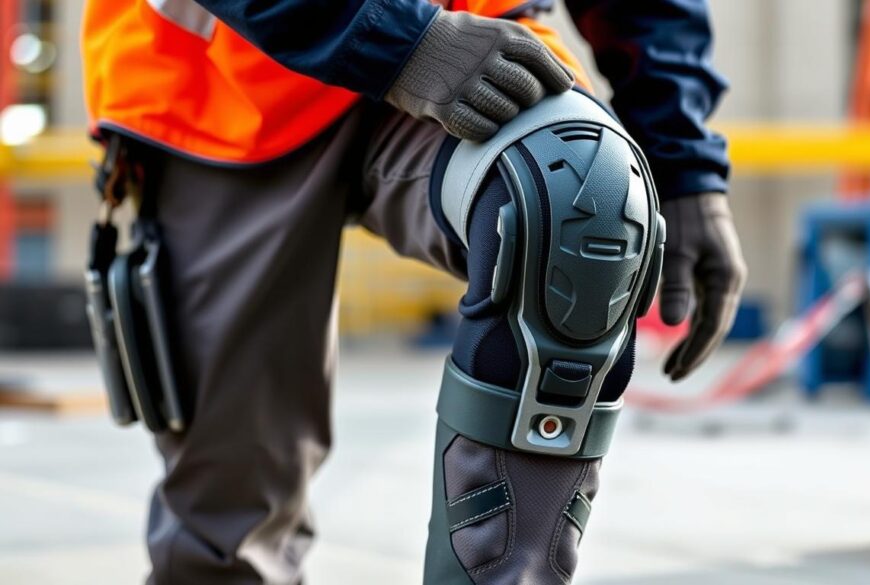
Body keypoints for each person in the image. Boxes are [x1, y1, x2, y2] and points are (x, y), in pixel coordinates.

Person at [82, 0, 746, 583]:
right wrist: (396, 40)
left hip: (476, 42)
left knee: (572, 190)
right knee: (224, 527)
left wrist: (683, 161)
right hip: (229, 80)